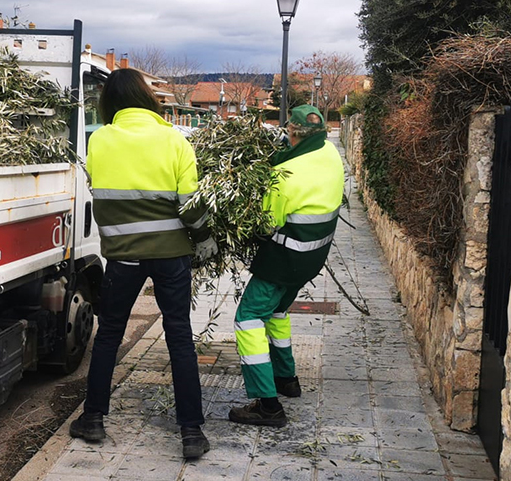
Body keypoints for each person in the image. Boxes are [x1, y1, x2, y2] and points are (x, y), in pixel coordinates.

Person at [68, 68, 218, 459]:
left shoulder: (98, 140)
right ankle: (191, 433)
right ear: (148, 98)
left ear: (110, 103)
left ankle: (94, 420)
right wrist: (205, 240)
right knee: (179, 336)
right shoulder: (174, 139)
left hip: (123, 257)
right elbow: (190, 204)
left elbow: (100, 189)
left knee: (109, 335)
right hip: (171, 256)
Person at [229, 104, 344, 427]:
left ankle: (268, 405)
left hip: (283, 260)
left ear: (292, 132)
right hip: (312, 258)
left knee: (249, 318)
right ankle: (286, 378)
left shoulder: (284, 175)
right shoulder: (331, 153)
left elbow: (265, 223)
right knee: (277, 312)